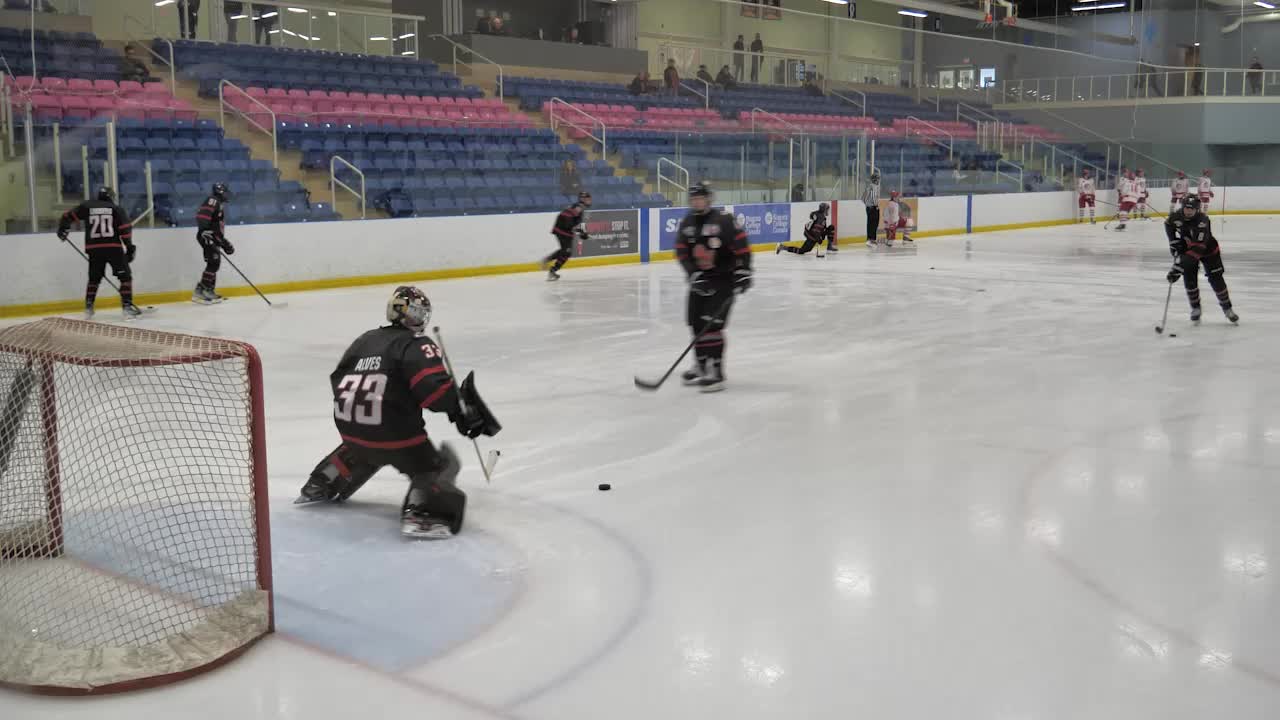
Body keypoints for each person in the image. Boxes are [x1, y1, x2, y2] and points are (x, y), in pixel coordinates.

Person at [296, 286, 500, 539]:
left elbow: (338, 380)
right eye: (416, 313)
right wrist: (461, 409)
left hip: (352, 433)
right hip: (398, 438)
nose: (419, 319)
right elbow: (433, 393)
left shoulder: (364, 339)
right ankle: (425, 511)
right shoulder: (416, 344)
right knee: (442, 463)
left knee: (364, 448)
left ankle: (324, 480)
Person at [674, 183, 751, 393]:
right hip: (700, 281)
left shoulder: (724, 220)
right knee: (696, 324)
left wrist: (745, 270)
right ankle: (700, 365)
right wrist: (692, 273)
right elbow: (681, 251)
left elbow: (742, 245)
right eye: (694, 198)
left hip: (723, 280)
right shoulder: (687, 222)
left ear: (709, 199)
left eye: (700, 198)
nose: (697, 201)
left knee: (712, 325)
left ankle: (716, 371)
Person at [57, 187, 140, 321]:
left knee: (94, 279)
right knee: (125, 277)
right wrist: (130, 248)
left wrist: (63, 229)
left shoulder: (87, 206)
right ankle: (127, 308)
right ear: (111, 197)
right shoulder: (116, 209)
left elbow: (67, 216)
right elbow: (124, 229)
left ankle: (88, 308)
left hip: (94, 248)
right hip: (113, 248)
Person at [1165, 196, 1238, 325]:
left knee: (1216, 279)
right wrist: (1174, 242)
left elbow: (1199, 247)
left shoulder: (1203, 220)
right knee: (1190, 278)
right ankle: (1195, 308)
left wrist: (1179, 267)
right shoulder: (1175, 217)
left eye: (1192, 209)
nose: (1188, 211)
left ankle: (1227, 308)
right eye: (1186, 208)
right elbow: (1168, 224)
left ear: (1197, 209)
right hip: (1188, 250)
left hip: (1208, 251)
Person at [193, 183, 234, 304]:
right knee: (214, 263)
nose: (227, 195)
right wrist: (205, 231)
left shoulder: (218, 203)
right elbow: (202, 216)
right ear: (220, 192)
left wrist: (224, 243)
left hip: (212, 237)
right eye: (225, 192)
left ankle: (209, 290)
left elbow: (216, 228)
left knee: (214, 263)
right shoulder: (213, 200)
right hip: (207, 236)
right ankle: (201, 291)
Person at [541, 191, 591, 281]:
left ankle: (551, 268)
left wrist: (582, 233)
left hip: (564, 230)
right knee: (566, 251)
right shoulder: (579, 207)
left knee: (566, 252)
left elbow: (574, 222)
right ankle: (550, 267)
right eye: (588, 198)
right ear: (583, 199)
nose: (590, 200)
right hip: (562, 230)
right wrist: (579, 231)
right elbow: (567, 218)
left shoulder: (579, 207)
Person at [862, 168, 881, 245]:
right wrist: (875, 205)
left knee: (872, 223)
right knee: (873, 223)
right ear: (875, 179)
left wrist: (867, 204)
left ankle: (871, 238)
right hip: (873, 207)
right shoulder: (873, 186)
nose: (878, 180)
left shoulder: (869, 186)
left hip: (870, 207)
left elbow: (862, 198)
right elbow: (873, 196)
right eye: (878, 179)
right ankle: (871, 239)